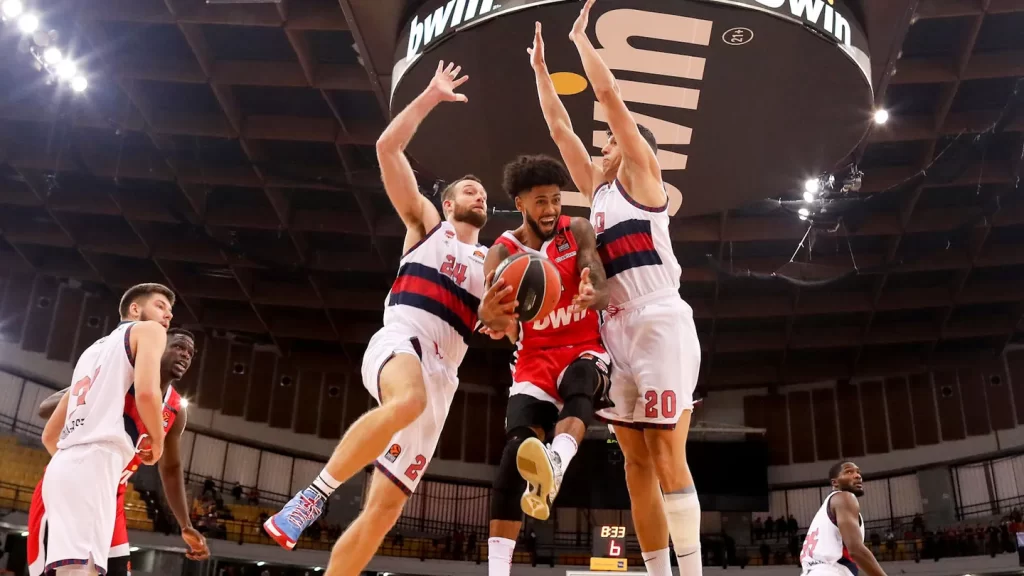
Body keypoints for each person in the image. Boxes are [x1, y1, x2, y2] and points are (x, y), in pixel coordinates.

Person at [264, 60, 503, 576]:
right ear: (445, 200)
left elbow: (502, 323)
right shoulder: (427, 224)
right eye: (469, 189)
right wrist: (431, 97)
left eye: (483, 193)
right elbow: (386, 149)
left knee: (384, 512)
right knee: (407, 398)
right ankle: (312, 496)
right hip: (403, 337)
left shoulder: (495, 264)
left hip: (447, 375)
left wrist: (506, 320)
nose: (479, 195)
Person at [530, 3, 703, 575]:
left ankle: (694, 571)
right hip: (616, 327)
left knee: (667, 452)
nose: (602, 142)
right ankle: (657, 573)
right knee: (634, 463)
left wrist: (583, 42)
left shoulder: (644, 180)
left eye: (612, 141)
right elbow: (560, 130)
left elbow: (614, 104)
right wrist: (539, 72)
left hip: (659, 320)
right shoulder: (597, 192)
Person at [478, 155, 611, 576]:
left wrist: (593, 290)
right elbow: (493, 320)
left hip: (582, 346)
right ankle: (498, 571)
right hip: (534, 357)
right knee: (515, 452)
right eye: (540, 202)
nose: (551, 209)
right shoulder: (503, 251)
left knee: (580, 381)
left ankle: (557, 459)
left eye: (555, 199)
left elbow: (601, 284)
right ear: (520, 203)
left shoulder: (577, 230)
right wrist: (490, 313)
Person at [28, 328, 209, 576]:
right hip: (75, 484)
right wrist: (91, 391)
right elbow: (45, 408)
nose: (185, 355)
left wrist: (185, 524)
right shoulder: (120, 377)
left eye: (190, 352)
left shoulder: (176, 409)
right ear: (156, 347)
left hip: (113, 495)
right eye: (178, 346)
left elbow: (170, 468)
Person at [34, 283, 175, 576]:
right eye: (161, 306)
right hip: (95, 462)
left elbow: (49, 435)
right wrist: (158, 441)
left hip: (62, 466)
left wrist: (77, 456)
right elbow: (148, 394)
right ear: (135, 309)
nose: (168, 316)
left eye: (170, 312)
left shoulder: (91, 352)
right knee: (84, 571)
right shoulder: (150, 331)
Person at [800, 462, 886, 576]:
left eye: (858, 472)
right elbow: (856, 550)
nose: (857, 476)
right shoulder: (844, 497)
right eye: (849, 472)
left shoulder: (824, 511)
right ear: (834, 482)